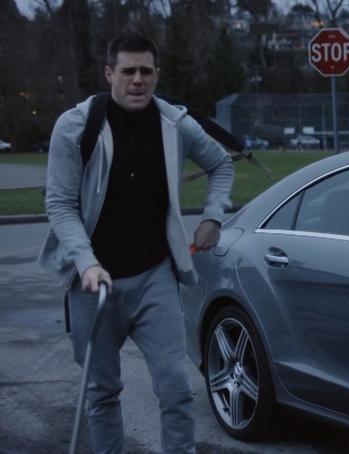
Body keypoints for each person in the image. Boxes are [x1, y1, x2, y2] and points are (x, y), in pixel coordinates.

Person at [38, 32, 234, 453]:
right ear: (110, 73)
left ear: (157, 74)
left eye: (146, 71)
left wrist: (214, 215)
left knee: (177, 390)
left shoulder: (174, 124)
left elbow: (221, 164)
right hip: (94, 285)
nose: (138, 80)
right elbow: (59, 204)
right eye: (128, 71)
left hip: (155, 277)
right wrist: (86, 262)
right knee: (102, 395)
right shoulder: (75, 127)